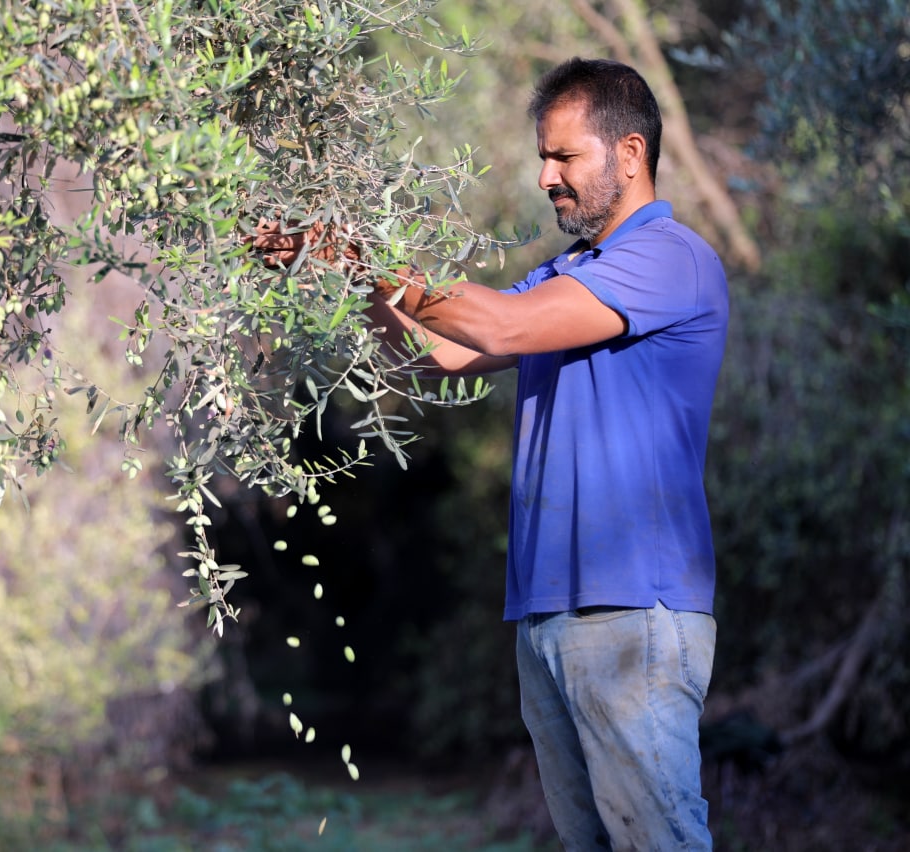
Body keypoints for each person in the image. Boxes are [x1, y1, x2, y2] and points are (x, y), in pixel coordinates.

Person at [253, 57, 728, 850]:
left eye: (565, 156)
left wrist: (360, 254)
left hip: (631, 611)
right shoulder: (566, 276)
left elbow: (500, 326)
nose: (546, 177)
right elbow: (436, 354)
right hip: (547, 612)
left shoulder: (669, 257)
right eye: (543, 156)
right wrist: (342, 269)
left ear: (631, 154)